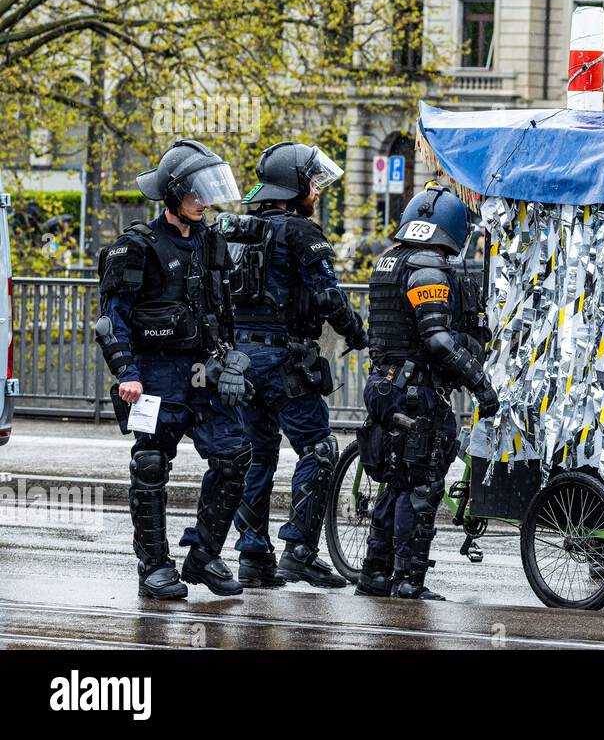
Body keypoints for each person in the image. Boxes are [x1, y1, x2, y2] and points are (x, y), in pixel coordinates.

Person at [95, 140, 252, 599]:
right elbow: (112, 320)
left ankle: (203, 555)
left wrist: (235, 357)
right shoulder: (137, 247)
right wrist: (126, 373)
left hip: (205, 371)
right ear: (174, 194)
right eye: (196, 192)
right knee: (149, 464)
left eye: (209, 190)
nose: (204, 200)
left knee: (233, 458)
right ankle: (154, 567)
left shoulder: (213, 241)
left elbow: (225, 311)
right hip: (155, 373)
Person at [219, 141, 367, 589]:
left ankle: (253, 556)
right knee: (319, 449)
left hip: (239, 363)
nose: (317, 191)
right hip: (283, 360)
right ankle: (300, 550)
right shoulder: (302, 233)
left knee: (257, 456)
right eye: (313, 182)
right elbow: (329, 295)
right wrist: (357, 333)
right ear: (292, 185)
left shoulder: (239, 232)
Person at [354, 186, 498, 600]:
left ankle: (375, 574)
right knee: (421, 488)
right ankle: (408, 581)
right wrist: (481, 386)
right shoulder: (429, 268)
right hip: (415, 393)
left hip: (386, 386)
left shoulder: (391, 261)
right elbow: (437, 340)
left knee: (397, 484)